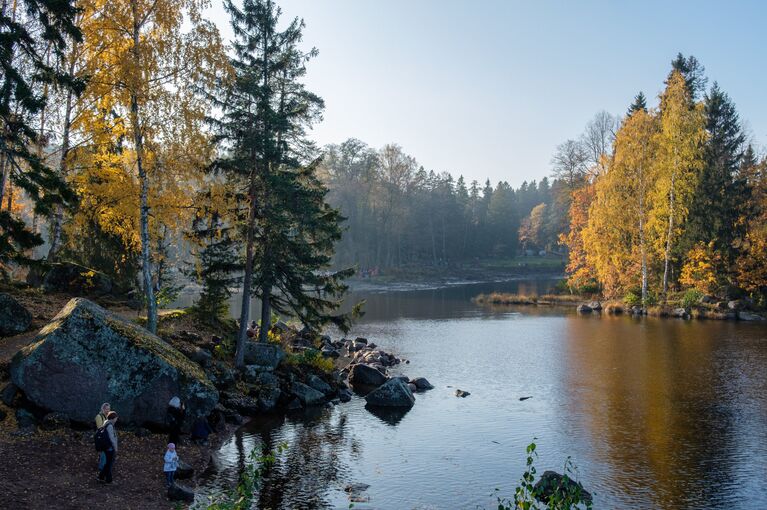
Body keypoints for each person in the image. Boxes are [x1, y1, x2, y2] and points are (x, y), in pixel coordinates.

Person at [97, 411, 118, 484]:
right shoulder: (110, 426)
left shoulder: (106, 424)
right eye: (116, 418)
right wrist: (115, 448)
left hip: (106, 447)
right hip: (109, 448)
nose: (116, 419)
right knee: (109, 464)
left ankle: (101, 477)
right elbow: (112, 438)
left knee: (107, 464)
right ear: (113, 418)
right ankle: (108, 480)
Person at [95, 403, 110, 471]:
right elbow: (99, 428)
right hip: (101, 437)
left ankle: (103, 465)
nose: (108, 410)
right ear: (103, 409)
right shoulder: (99, 416)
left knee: (105, 452)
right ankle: (101, 468)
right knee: (104, 452)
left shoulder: (106, 416)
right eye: (106, 409)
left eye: (109, 409)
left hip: (105, 437)